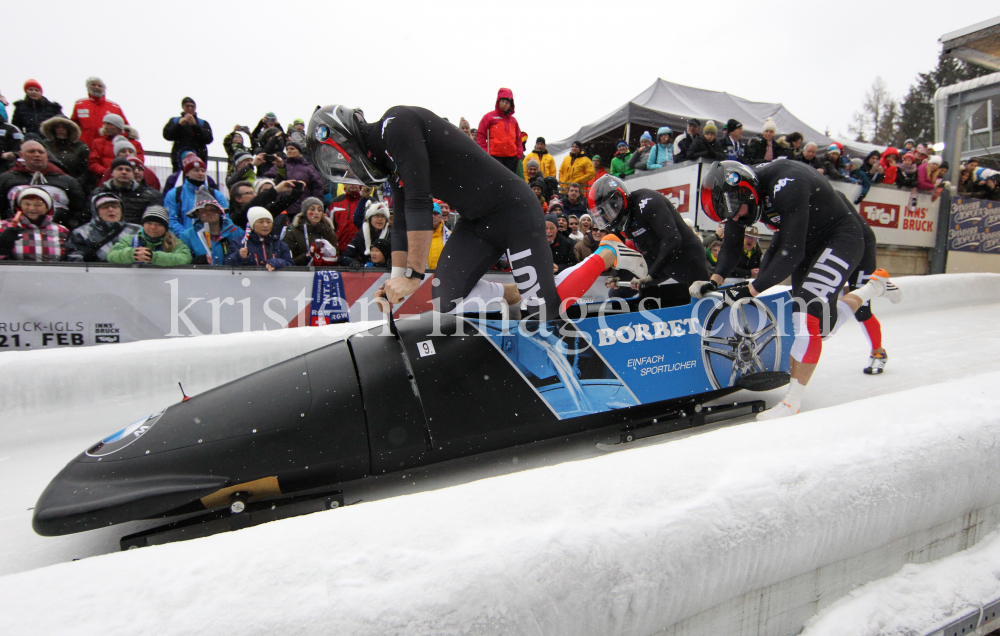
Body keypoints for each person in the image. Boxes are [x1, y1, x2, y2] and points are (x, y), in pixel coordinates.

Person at [693, 160, 901, 421]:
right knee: (823, 328)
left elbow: (791, 253)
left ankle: (792, 403)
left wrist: (751, 290)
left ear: (749, 192)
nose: (737, 219)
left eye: (739, 213)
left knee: (806, 318)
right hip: (806, 241)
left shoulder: (788, 182)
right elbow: (732, 246)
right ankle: (875, 286)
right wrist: (714, 280)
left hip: (839, 237)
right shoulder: (737, 202)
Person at [308, 104, 559, 315]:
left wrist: (413, 277)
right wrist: (394, 282)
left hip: (514, 212)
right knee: (446, 300)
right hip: (478, 222)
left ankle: (572, 281)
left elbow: (419, 200)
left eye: (340, 161)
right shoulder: (387, 159)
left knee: (543, 310)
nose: (346, 171)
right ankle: (512, 294)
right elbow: (403, 218)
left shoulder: (396, 123)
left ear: (342, 137)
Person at [588, 174, 709, 290]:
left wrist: (651, 274)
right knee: (619, 291)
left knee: (699, 298)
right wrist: (617, 275)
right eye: (602, 214)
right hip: (656, 257)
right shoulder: (618, 221)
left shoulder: (647, 202)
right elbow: (620, 248)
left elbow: (672, 238)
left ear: (618, 201)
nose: (606, 218)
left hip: (685, 256)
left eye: (608, 211)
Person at [0, 140, 88, 229]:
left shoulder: (67, 180)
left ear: (47, 156)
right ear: (21, 155)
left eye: (41, 152)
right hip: (15, 233)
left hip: (58, 234)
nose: (37, 154)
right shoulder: (6, 179)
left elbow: (79, 211)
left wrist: (70, 227)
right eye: (31, 151)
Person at [107, 205, 192, 266]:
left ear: (165, 228)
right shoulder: (129, 240)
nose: (153, 227)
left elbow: (185, 258)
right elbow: (112, 255)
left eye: (158, 224)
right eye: (149, 223)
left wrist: (154, 257)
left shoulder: (174, 242)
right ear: (143, 225)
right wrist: (133, 254)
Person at [66, 192, 140, 262]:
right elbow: (73, 257)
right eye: (105, 207)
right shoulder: (81, 232)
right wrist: (85, 260)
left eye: (115, 207)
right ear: (96, 211)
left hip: (131, 273)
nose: (111, 210)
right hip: (95, 274)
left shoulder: (137, 230)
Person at [0, 187, 69, 261]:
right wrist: (3, 247)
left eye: (38, 205)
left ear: (48, 208)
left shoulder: (62, 230)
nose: (31, 208)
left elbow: (68, 260)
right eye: (26, 204)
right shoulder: (3, 226)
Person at [166, 154, 229, 235]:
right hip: (183, 240)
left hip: (213, 239)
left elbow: (225, 217)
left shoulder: (216, 194)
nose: (200, 173)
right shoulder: (174, 194)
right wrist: (187, 236)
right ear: (187, 173)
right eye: (196, 170)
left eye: (203, 170)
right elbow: (171, 220)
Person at [178, 189, 243, 265]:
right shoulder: (187, 236)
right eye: (204, 210)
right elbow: (183, 262)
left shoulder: (237, 232)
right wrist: (195, 262)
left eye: (214, 209)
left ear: (220, 212)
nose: (209, 213)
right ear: (197, 214)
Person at [263, 140, 325, 217]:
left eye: (292, 149)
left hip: (302, 208)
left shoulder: (308, 168)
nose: (289, 151)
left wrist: (317, 205)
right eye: (287, 149)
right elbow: (268, 179)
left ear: (299, 151)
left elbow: (317, 188)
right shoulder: (280, 165)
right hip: (282, 207)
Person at [93, 157, 163, 224]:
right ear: (112, 172)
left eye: (128, 170)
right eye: (120, 169)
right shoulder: (98, 193)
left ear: (132, 174)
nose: (124, 172)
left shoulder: (148, 196)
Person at [226, 207, 294, 271]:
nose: (265, 225)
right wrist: (238, 256)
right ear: (252, 225)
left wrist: (278, 262)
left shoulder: (280, 245)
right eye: (261, 222)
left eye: (268, 222)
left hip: (274, 282)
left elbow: (291, 264)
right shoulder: (240, 243)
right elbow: (226, 264)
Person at [71, 77, 127, 149]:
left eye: (100, 86)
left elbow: (124, 126)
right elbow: (73, 126)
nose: (97, 87)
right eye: (93, 85)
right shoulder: (80, 104)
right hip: (84, 146)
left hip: (106, 147)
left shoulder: (114, 107)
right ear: (88, 87)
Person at [476, 88, 523, 173]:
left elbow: (519, 139)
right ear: (498, 101)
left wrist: (518, 154)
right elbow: (480, 135)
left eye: (507, 102)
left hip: (511, 158)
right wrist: (485, 152)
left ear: (510, 105)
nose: (504, 104)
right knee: (496, 181)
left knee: (509, 183)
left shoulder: (513, 121)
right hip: (494, 156)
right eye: (503, 101)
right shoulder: (489, 117)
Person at [228, 179, 303, 230]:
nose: (254, 195)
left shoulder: (260, 211)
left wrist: (296, 193)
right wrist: (275, 190)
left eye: (254, 192)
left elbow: (279, 205)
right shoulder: (235, 216)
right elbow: (252, 205)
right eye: (249, 193)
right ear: (238, 199)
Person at [162, 97, 213, 172]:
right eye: (187, 106)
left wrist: (195, 125)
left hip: (199, 159)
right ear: (183, 107)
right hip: (179, 160)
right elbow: (167, 135)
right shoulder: (175, 120)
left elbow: (209, 139)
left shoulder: (202, 123)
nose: (190, 108)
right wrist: (179, 125)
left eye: (192, 106)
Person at [284, 196, 338, 266]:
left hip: (323, 273)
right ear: (305, 212)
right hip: (301, 273)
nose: (316, 213)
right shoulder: (293, 233)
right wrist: (308, 255)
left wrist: (327, 258)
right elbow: (289, 261)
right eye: (312, 209)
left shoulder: (329, 232)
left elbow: (337, 257)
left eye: (319, 210)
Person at [40, 116, 91, 186]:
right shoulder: (46, 145)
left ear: (69, 129)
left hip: (73, 183)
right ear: (53, 129)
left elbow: (86, 169)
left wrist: (76, 182)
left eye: (64, 127)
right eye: (57, 127)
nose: (60, 130)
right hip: (50, 182)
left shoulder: (80, 146)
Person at [340, 200, 391, 269]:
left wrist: (391, 262)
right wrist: (352, 262)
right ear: (369, 219)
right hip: (365, 274)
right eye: (376, 216)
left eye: (383, 216)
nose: (380, 219)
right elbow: (344, 257)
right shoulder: (360, 236)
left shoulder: (391, 236)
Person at [330, 182, 369, 252]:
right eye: (349, 181)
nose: (353, 184)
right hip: (340, 248)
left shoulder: (369, 201)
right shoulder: (335, 202)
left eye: (354, 181)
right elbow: (329, 228)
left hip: (364, 250)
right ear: (343, 183)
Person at [427, 201, 451, 269]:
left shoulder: (450, 236)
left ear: (440, 216)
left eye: (435, 213)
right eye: (430, 213)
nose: (433, 216)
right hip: (423, 277)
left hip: (443, 275)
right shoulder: (417, 236)